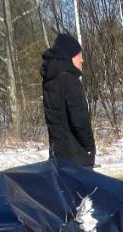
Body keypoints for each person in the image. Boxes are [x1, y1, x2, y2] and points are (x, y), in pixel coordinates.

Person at [41, 34, 96, 167]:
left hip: (58, 153)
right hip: (76, 156)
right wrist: (89, 147)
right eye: (79, 55)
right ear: (70, 56)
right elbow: (79, 120)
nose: (82, 60)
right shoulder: (70, 80)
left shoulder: (51, 79)